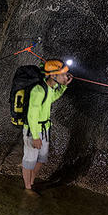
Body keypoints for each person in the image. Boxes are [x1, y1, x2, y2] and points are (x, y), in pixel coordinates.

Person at [22, 60, 72, 191]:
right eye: (63, 74)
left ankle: (31, 181)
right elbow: (31, 116)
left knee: (42, 158)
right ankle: (27, 188)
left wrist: (63, 86)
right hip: (34, 130)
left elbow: (52, 98)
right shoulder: (38, 91)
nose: (66, 76)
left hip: (44, 129)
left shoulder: (50, 88)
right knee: (29, 160)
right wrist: (35, 136)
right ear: (53, 76)